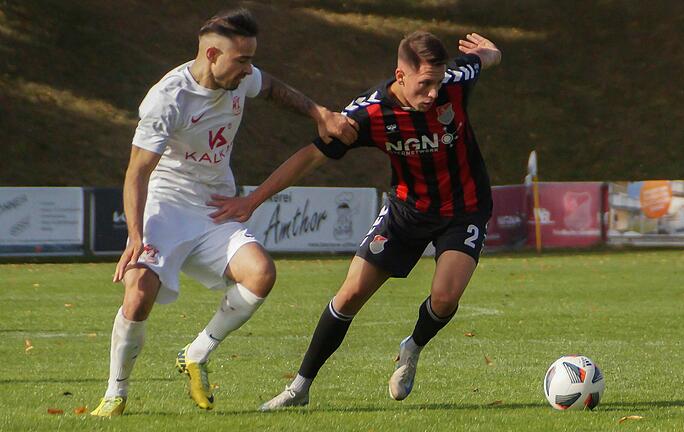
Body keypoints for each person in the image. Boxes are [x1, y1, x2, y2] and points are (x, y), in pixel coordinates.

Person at [208, 30, 502, 409]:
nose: (433, 93)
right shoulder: (369, 114)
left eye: (437, 82)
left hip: (465, 209)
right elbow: (311, 156)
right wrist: (254, 199)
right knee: (349, 294)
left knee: (445, 299)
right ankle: (299, 388)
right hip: (405, 211)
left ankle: (412, 347)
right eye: (424, 84)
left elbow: (485, 59)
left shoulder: (454, 83)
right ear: (400, 76)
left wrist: (491, 52)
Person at [90, 8, 357, 417]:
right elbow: (137, 172)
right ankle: (116, 393)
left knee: (261, 274)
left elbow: (273, 89)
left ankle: (196, 353)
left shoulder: (242, 77)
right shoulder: (169, 98)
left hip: (214, 204)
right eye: (242, 60)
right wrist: (135, 236)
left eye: (251, 59)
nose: (249, 70)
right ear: (212, 55)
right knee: (140, 290)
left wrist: (318, 113)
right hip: (167, 201)